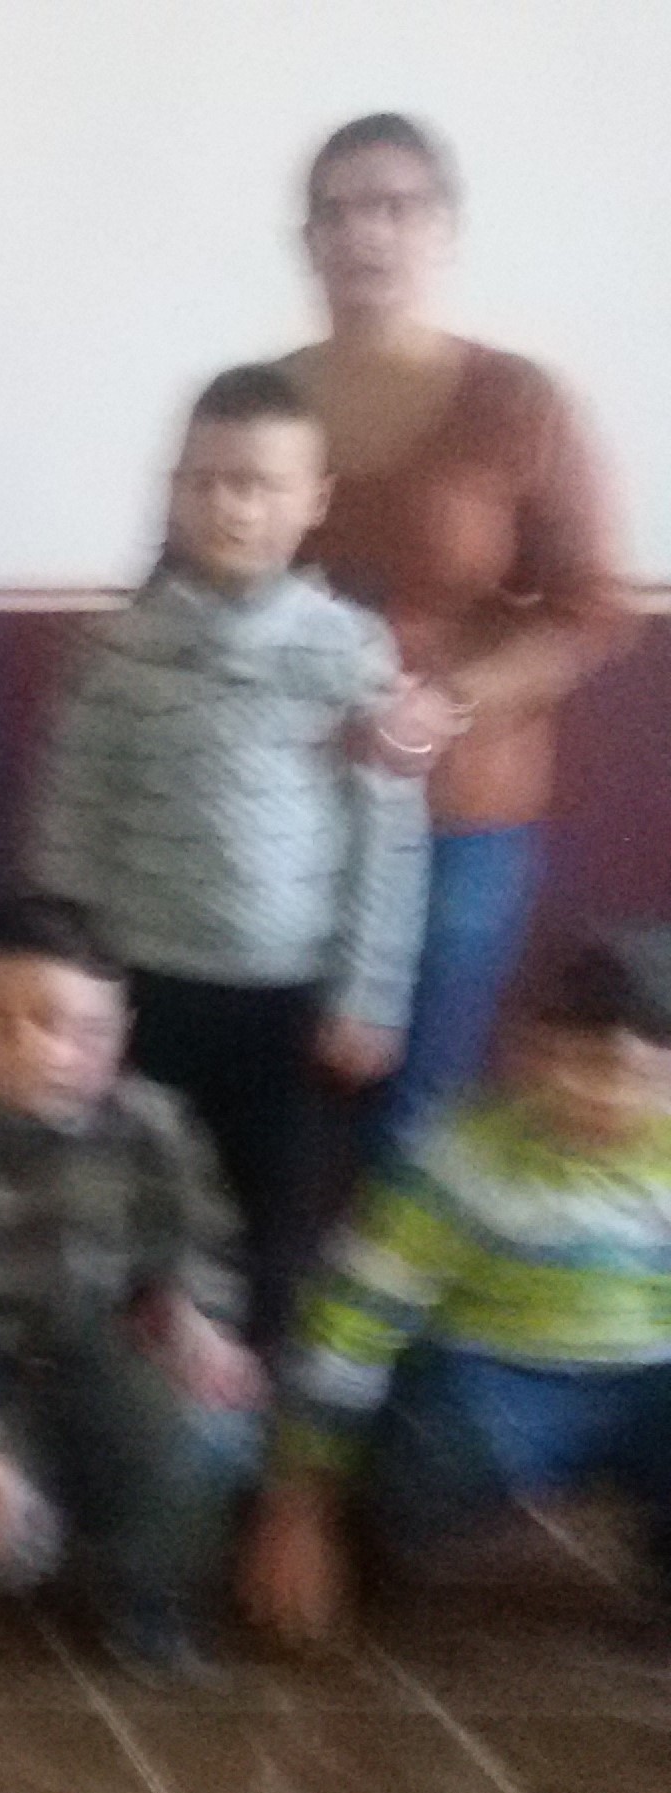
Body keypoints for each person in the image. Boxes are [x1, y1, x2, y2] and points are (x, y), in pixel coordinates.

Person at [31, 364, 429, 1354]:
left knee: (271, 1224)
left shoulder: (351, 651)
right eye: (207, 482)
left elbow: (386, 839)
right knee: (127, 1208)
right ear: (175, 491)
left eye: (258, 484)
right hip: (143, 988)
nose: (232, 507)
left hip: (289, 1002)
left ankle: (253, 1420)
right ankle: (138, 1410)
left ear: (313, 499)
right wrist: (67, 983)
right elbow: (74, 818)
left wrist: (369, 997)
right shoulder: (118, 650)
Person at [282, 113, 632, 1162]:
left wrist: (452, 702)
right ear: (308, 239)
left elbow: (592, 604)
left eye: (396, 206)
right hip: (283, 809)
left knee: (419, 1105)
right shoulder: (264, 402)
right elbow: (188, 584)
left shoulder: (516, 401)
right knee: (279, 1096)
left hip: (461, 813)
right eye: (339, 211)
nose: (366, 232)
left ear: (445, 227)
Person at [245, 934, 671, 1648]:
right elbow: (354, 1319)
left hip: (646, 1382)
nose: (609, 1095)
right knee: (452, 1444)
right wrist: (301, 1505)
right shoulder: (458, 1154)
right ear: (533, 1052)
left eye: (646, 1076)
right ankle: (369, 1535)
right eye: (586, 1064)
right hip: (494, 1384)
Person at [0, 897, 262, 1681]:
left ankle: (147, 1588)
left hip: (116, 1361)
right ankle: (36, 1520)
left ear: (121, 1031)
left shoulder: (156, 1126)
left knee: (220, 1422)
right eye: (12, 1023)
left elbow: (203, 1245)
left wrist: (200, 1321)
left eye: (84, 1029)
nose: (48, 1051)